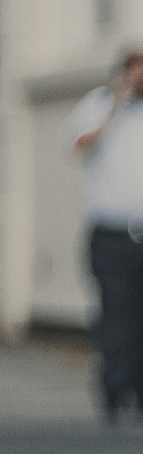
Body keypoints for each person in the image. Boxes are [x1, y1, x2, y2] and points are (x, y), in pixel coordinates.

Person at [70, 46, 143, 424]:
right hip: (111, 236)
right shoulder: (99, 104)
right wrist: (117, 105)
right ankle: (114, 389)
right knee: (117, 314)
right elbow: (81, 144)